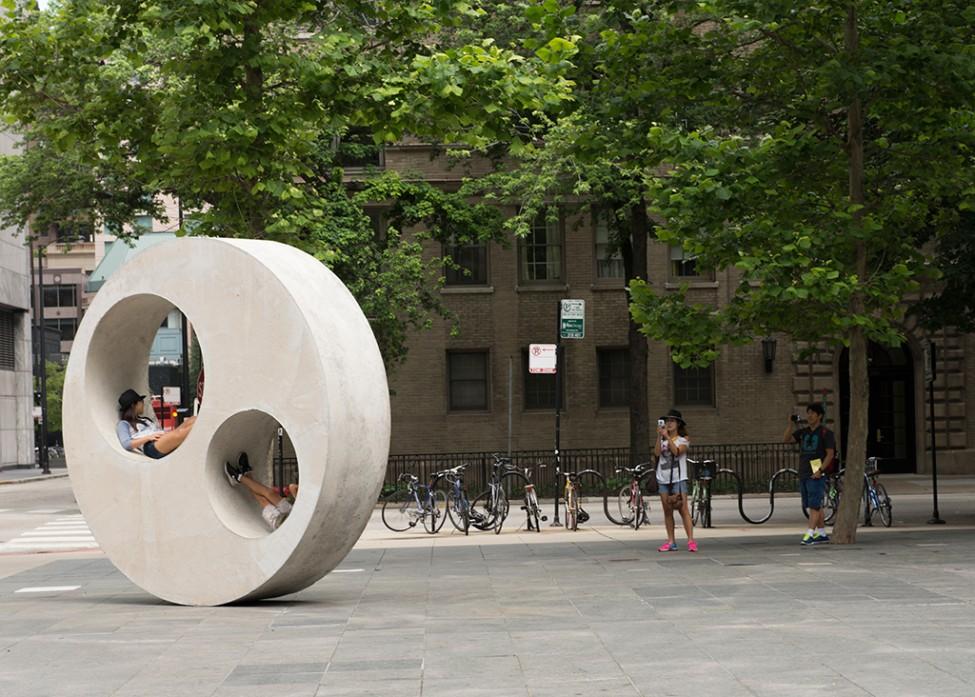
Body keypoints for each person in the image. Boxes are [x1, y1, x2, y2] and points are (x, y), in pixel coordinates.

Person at [784, 402, 836, 545]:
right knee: (812, 504)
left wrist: (820, 471)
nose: (809, 416)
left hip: (816, 471)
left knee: (814, 504)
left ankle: (810, 533)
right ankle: (822, 533)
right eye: (808, 413)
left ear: (819, 416)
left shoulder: (826, 433)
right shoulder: (803, 432)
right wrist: (790, 424)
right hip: (804, 471)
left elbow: (830, 454)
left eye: (813, 413)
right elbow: (787, 440)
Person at [655, 408, 697, 553]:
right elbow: (656, 453)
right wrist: (659, 437)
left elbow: (677, 452)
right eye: (667, 421)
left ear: (678, 423)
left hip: (678, 479)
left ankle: (690, 540)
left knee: (683, 509)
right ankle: (671, 541)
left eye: (672, 421)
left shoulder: (683, 440)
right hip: (663, 479)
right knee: (667, 511)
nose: (669, 423)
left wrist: (667, 437)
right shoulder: (662, 438)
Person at [116, 388, 196, 459]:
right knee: (180, 434)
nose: (143, 404)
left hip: (160, 439)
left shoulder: (144, 420)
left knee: (192, 419)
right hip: (151, 446)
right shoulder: (123, 424)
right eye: (141, 402)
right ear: (134, 405)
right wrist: (148, 438)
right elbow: (126, 444)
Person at [224, 453, 297, 530]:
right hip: (292, 512)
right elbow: (292, 487)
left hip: (282, 524)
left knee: (263, 500)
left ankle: (239, 477)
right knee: (269, 493)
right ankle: (245, 476)